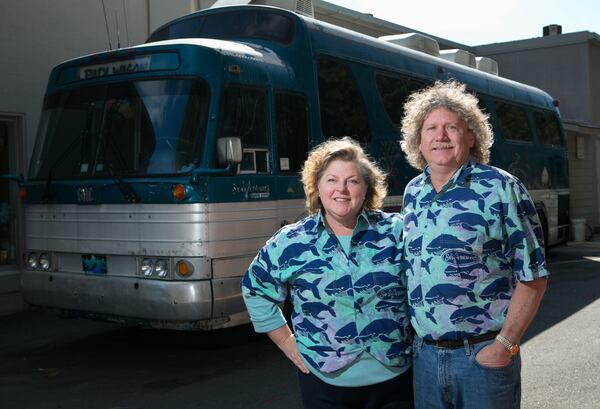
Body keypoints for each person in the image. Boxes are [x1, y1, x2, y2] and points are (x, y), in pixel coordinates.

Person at [399, 81, 548, 409]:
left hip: (481, 358)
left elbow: (534, 273)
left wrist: (505, 344)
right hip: (425, 360)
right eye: (431, 128)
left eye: (451, 127)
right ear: (418, 141)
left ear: (471, 136)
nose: (441, 136)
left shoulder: (500, 187)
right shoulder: (413, 193)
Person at [241, 137, 413, 409]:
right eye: (332, 180)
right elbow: (255, 289)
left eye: (353, 181)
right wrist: (287, 342)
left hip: (395, 380)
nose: (342, 189)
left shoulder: (397, 231)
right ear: (317, 187)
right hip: (324, 382)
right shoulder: (291, 241)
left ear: (367, 187)